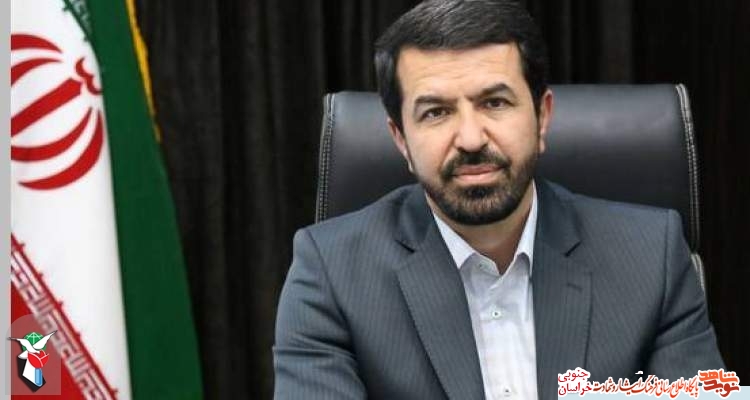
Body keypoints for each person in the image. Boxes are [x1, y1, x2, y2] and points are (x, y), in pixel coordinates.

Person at [273, 1, 725, 399]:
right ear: (401, 140)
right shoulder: (329, 273)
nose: (471, 138)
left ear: (542, 116)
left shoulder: (653, 256)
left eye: (494, 103)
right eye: (436, 112)